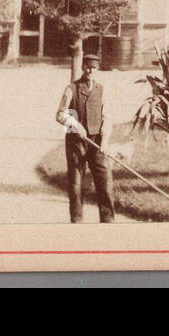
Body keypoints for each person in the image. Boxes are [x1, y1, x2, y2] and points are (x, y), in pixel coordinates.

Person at [55, 54, 115, 223]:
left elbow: (107, 116)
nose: (90, 71)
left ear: (98, 69)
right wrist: (75, 125)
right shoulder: (71, 88)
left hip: (97, 143)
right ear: (82, 67)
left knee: (105, 184)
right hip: (76, 143)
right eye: (88, 67)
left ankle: (108, 221)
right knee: (76, 185)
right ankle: (77, 221)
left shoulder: (102, 89)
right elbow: (60, 114)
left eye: (94, 68)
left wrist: (105, 140)